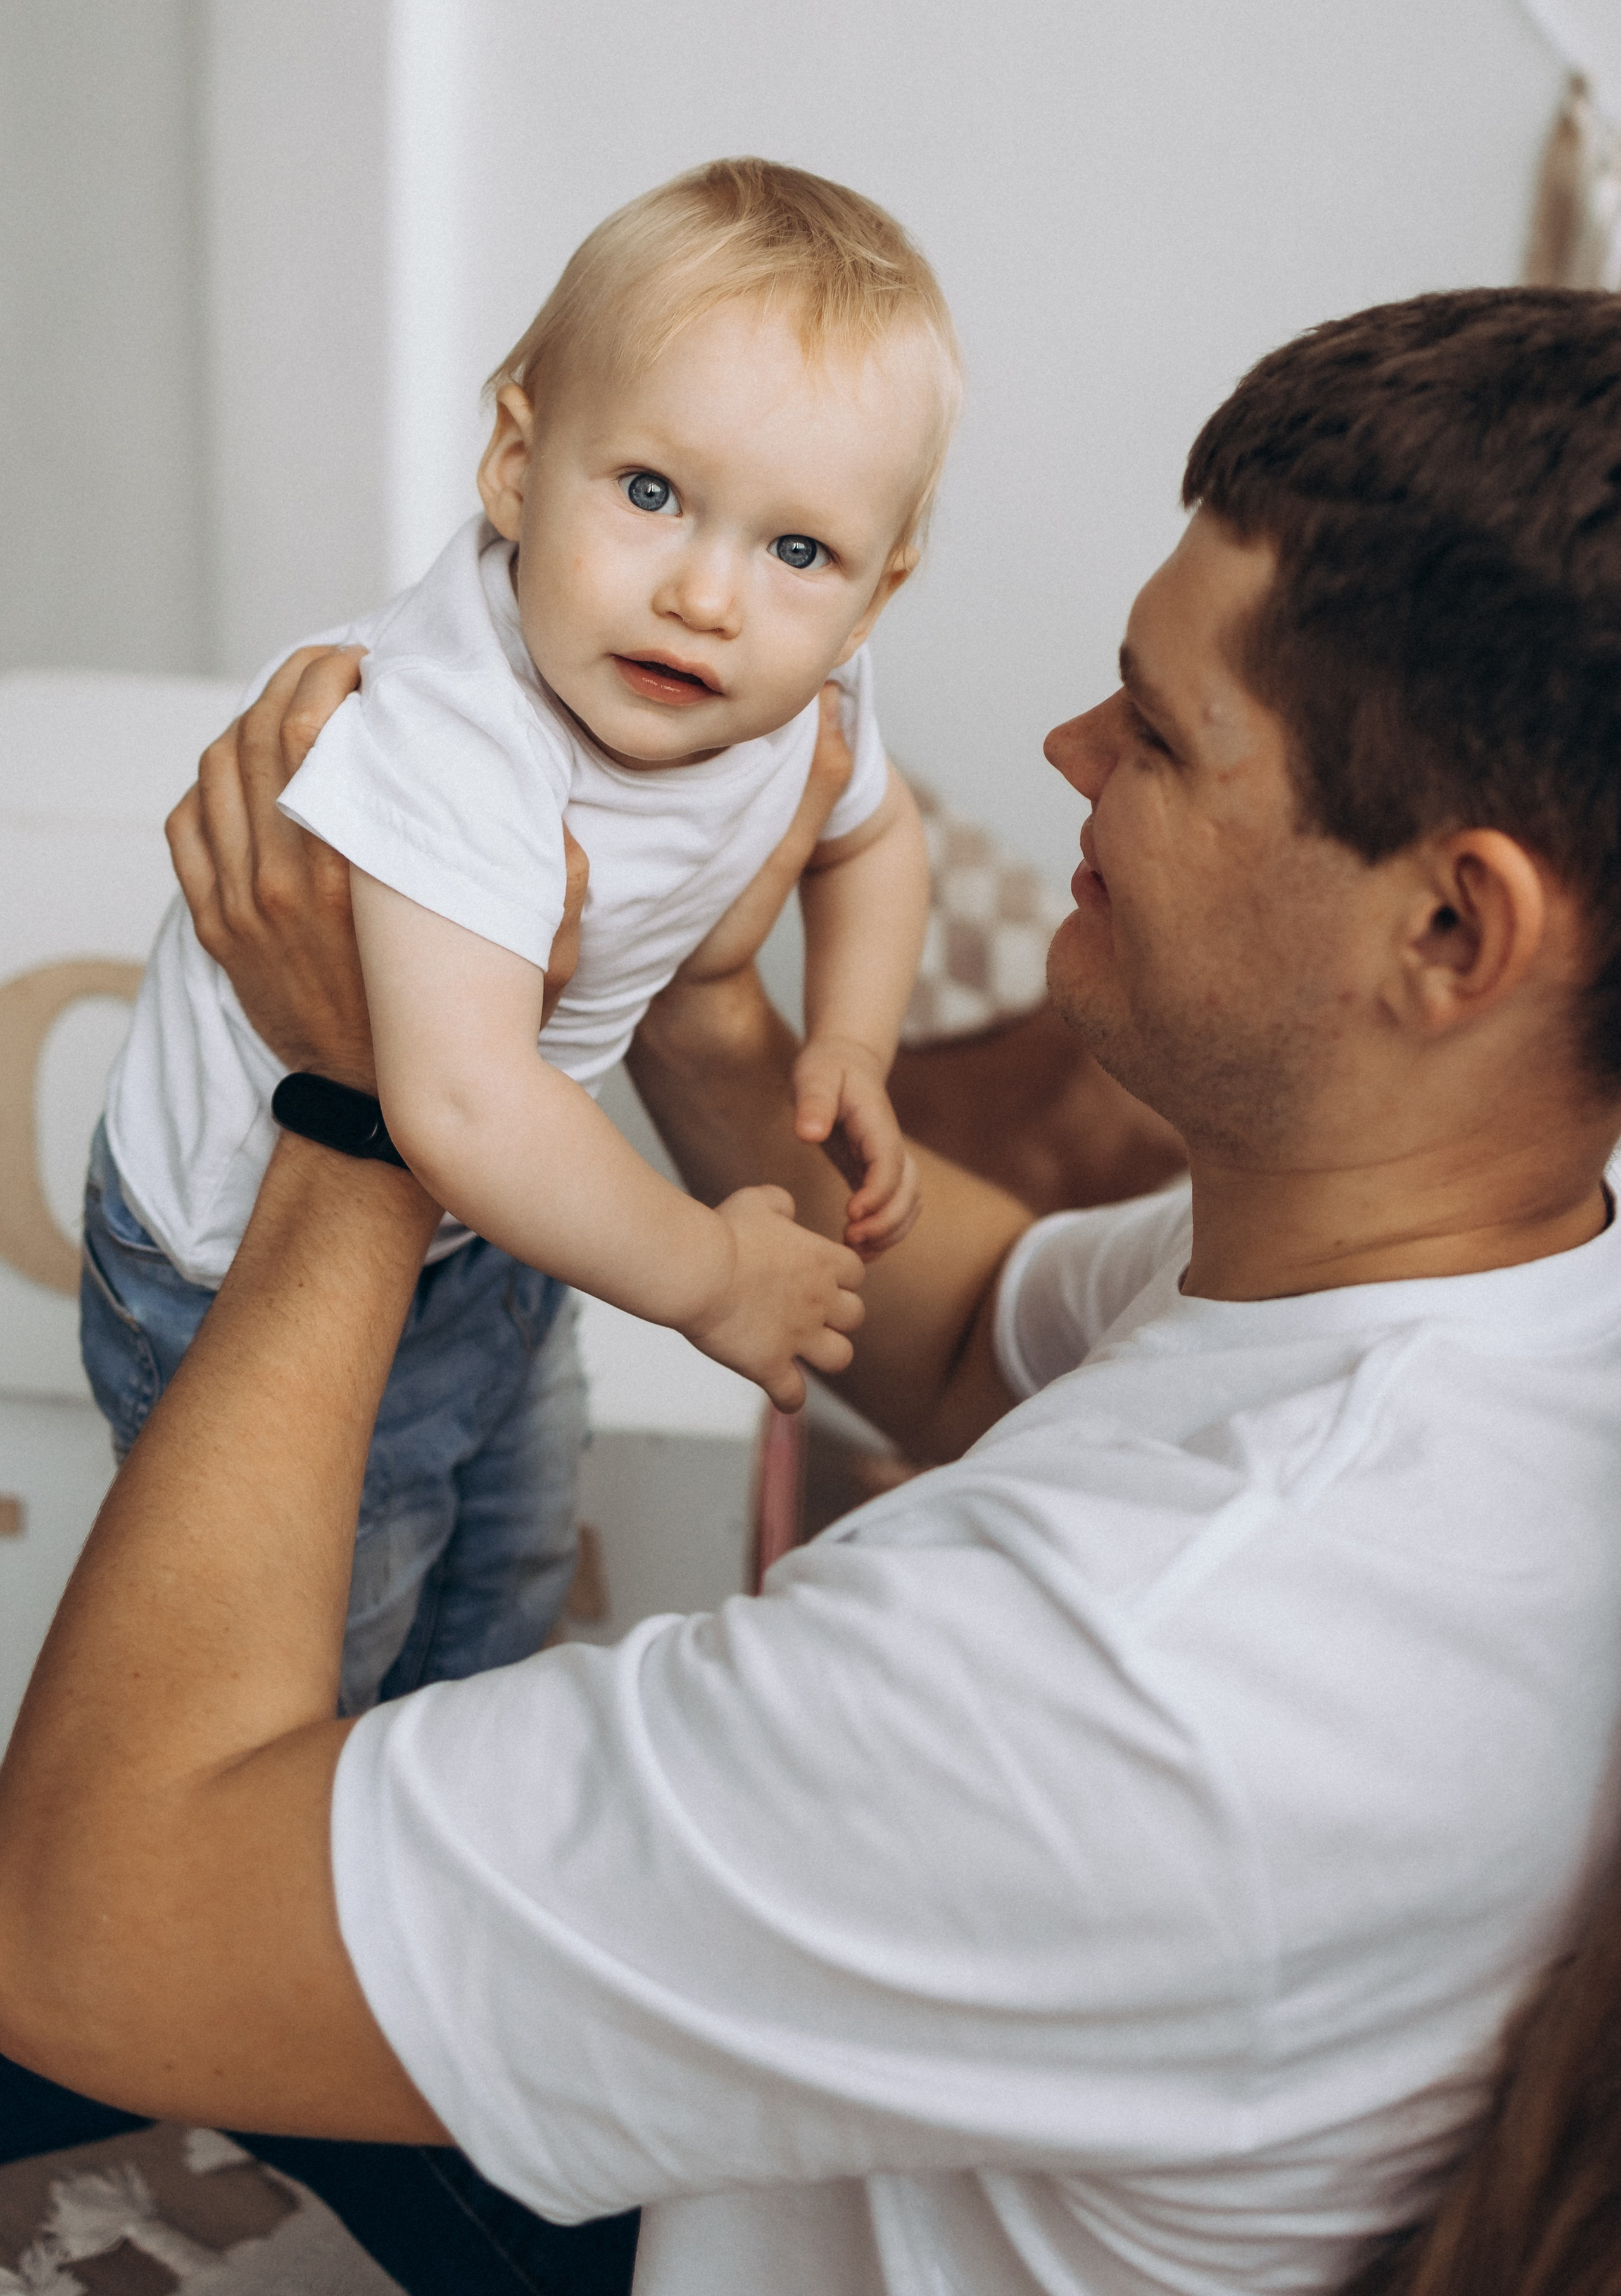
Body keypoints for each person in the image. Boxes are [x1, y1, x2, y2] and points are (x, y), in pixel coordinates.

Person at [4, 284, 1620, 2296]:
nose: (1066, 745)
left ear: (1454, 928)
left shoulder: (1122, 1686)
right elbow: (975, 1328)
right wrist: (701, 994)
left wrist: (358, 1108)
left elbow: (80, 1927)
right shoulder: (1510, 1278)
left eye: (1159, 732)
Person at [84, 157, 949, 1713]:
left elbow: (873, 837)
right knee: (315, 1676)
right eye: (650, 493)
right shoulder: (453, 731)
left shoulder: (804, 680)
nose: (706, 596)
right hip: (248, 1249)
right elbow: (459, 1103)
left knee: (504, 1589)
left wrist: (851, 1039)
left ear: (872, 594)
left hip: (494, 1225)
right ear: (514, 463)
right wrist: (710, 1276)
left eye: (795, 551)